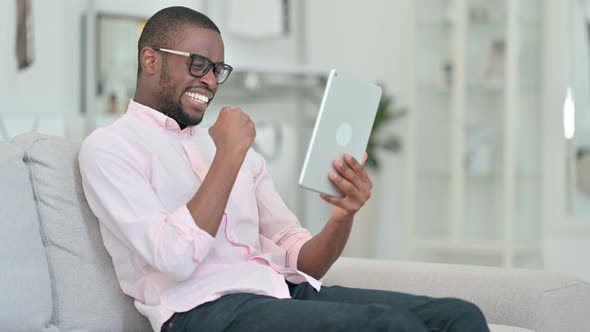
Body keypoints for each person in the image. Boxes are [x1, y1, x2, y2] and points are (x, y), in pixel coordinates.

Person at [79, 6, 489, 332]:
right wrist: (229, 156)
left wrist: (342, 217)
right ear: (150, 60)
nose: (210, 82)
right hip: (202, 313)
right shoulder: (110, 149)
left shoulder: (228, 146)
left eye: (217, 70)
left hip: (282, 293)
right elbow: (175, 257)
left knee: (459, 316)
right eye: (197, 64)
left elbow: (304, 261)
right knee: (389, 326)